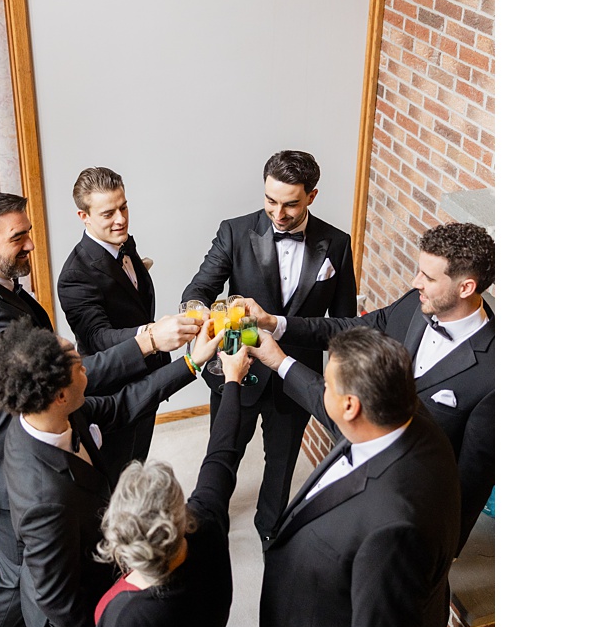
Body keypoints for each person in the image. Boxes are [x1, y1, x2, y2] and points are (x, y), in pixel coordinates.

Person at [0, 191, 189, 627]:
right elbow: (62, 374)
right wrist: (148, 340)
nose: (31, 245)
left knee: (32, 572)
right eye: (19, 237)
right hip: (5, 467)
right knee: (21, 578)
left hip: (38, 438)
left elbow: (83, 388)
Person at [0, 320, 219, 627]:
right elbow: (58, 598)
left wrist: (192, 362)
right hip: (73, 623)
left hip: (72, 577)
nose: (86, 363)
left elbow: (124, 404)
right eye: (77, 362)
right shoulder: (44, 498)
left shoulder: (48, 417)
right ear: (58, 395)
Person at [245, 327, 459, 627]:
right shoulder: (402, 417)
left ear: (350, 406)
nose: (322, 389)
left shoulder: (393, 528)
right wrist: (279, 361)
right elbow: (321, 399)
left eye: (328, 383)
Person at [240, 222, 494, 554]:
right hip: (351, 481)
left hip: (406, 516)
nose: (416, 282)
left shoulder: (495, 373)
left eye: (429, 278)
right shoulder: (414, 305)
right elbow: (351, 328)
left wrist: (445, 548)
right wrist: (276, 323)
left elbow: (472, 479)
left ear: (466, 287)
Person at [181, 149, 356, 541]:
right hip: (237, 371)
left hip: (296, 376)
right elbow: (198, 290)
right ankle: (208, 528)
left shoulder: (337, 244)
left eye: (290, 204)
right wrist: (200, 318)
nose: (278, 214)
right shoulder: (234, 231)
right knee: (223, 454)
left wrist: (335, 385)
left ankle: (270, 534)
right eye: (270, 200)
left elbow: (344, 327)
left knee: (282, 464)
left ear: (312, 196)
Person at [92, 343, 253, 627]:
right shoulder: (208, 529)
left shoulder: (124, 621)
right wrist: (232, 380)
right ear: (180, 517)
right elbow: (222, 455)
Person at [57, 167, 197, 470]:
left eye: (123, 207)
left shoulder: (123, 244)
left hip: (147, 377)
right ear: (84, 217)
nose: (120, 219)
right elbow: (98, 337)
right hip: (114, 389)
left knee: (138, 460)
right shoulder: (74, 276)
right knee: (119, 472)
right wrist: (153, 333)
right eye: (108, 213)